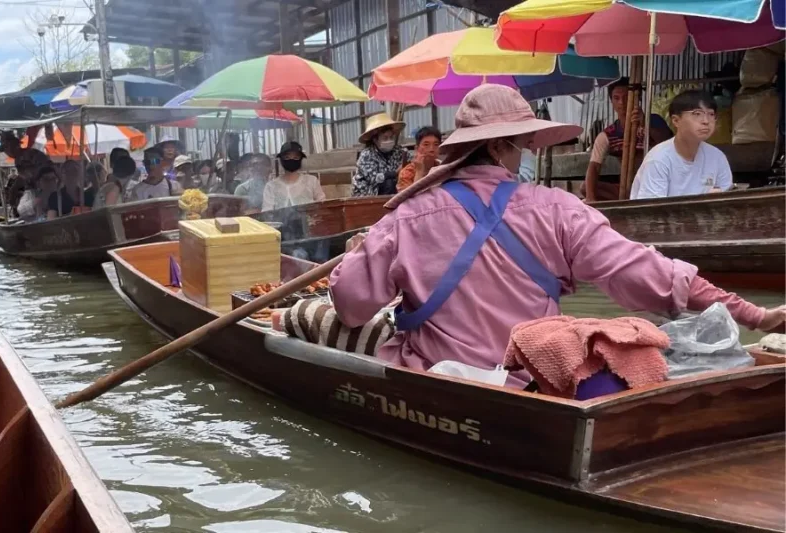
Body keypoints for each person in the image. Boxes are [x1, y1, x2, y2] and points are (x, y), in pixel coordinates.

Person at [328, 84, 784, 387]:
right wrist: (754, 315)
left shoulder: (406, 218)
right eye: (522, 145)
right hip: (531, 381)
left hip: (436, 379)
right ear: (498, 147)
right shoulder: (559, 210)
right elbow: (652, 274)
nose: (524, 155)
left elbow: (350, 306)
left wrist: (355, 257)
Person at [583, 78, 673, 202]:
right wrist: (590, 199)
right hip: (627, 188)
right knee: (586, 188)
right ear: (611, 101)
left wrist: (645, 123)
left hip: (657, 183)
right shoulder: (608, 135)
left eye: (626, 97)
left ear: (638, 98)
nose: (622, 102)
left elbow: (669, 143)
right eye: (616, 98)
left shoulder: (654, 121)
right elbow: (594, 167)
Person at [631, 90, 733, 200]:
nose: (706, 121)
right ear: (676, 120)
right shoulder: (658, 159)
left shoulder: (717, 157)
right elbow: (651, 210)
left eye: (711, 114)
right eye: (697, 114)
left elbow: (728, 202)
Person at [352, 113, 409, 196]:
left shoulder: (398, 151)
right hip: (367, 194)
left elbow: (410, 162)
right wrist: (396, 172)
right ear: (375, 140)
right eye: (385, 138)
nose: (389, 140)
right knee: (388, 184)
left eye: (391, 137)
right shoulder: (366, 155)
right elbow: (375, 178)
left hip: (395, 190)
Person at [262, 141, 325, 211]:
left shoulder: (311, 181)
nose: (291, 160)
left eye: (296, 157)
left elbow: (322, 206)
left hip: (309, 221)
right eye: (287, 157)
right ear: (281, 159)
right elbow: (267, 213)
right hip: (280, 222)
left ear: (301, 159)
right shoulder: (271, 186)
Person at [397, 126, 442, 192]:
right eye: (426, 145)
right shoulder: (407, 172)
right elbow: (408, 199)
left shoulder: (442, 168)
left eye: (436, 144)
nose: (431, 149)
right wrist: (419, 172)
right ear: (417, 149)